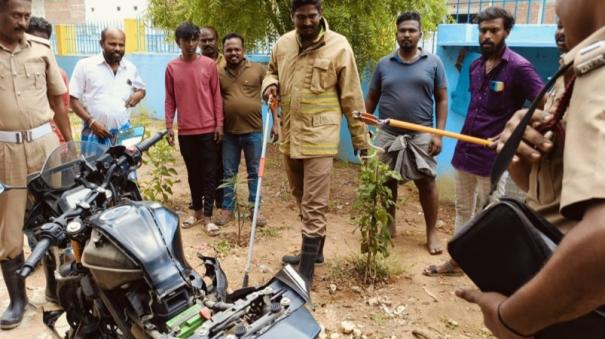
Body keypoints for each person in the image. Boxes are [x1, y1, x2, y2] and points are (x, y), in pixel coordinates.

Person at [457, 0, 605, 336]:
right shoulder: (572, 72)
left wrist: (512, 319)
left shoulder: (597, 68)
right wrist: (518, 144)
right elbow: (539, 184)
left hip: (575, 316)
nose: (556, 8)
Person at [424, 6, 544, 276]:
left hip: (494, 158)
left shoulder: (519, 68)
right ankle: (456, 262)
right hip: (465, 151)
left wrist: (511, 132)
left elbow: (545, 105)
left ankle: (489, 270)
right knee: (463, 211)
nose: (487, 36)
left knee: (491, 216)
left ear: (506, 32)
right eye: (483, 31)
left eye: (494, 30)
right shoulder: (475, 65)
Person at [262, 0, 368, 286]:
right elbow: (271, 70)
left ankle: (306, 272)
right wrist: (269, 85)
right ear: (292, 16)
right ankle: (315, 252)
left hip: (321, 138)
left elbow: (352, 97)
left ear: (321, 15)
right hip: (290, 135)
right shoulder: (283, 44)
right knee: (300, 195)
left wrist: (361, 139)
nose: (307, 22)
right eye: (301, 17)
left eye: (312, 16)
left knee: (314, 204)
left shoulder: (339, 46)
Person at [0, 0, 70, 329]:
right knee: (9, 230)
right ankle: (18, 300)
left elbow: (58, 99)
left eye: (27, 15)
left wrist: (68, 145)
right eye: (17, 15)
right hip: (5, 153)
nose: (23, 22)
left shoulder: (41, 49)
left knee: (57, 218)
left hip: (45, 146)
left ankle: (56, 289)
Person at [365, 11, 448, 255]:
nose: (407, 34)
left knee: (427, 182)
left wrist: (438, 134)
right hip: (388, 134)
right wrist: (363, 125)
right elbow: (372, 98)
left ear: (420, 34)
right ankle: (389, 226)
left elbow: (442, 99)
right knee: (386, 181)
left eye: (412, 30)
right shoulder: (384, 64)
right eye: (403, 30)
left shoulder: (433, 63)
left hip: (422, 133)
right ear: (396, 34)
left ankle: (431, 233)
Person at [165, 22, 223, 235]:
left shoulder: (208, 64)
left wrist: (219, 124)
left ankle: (208, 217)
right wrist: (169, 125)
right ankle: (196, 211)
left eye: (194, 39)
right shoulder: (172, 67)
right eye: (186, 40)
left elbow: (216, 95)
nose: (190, 44)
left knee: (210, 172)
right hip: (186, 131)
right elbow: (170, 98)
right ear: (178, 42)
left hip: (208, 129)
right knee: (193, 172)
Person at [214, 33, 275, 227]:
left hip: (254, 132)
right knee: (229, 172)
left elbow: (271, 98)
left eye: (236, 49)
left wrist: (277, 123)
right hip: (229, 134)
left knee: (255, 171)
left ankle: (255, 210)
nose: (233, 53)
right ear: (223, 52)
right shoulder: (218, 72)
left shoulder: (258, 70)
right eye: (229, 50)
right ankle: (227, 208)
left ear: (244, 50)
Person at [69, 27, 146, 152]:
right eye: (112, 44)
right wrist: (91, 122)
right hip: (95, 133)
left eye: (121, 45)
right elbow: (73, 100)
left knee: (125, 170)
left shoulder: (130, 68)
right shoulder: (85, 66)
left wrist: (139, 94)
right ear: (101, 44)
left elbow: (142, 90)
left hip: (124, 134)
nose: (117, 48)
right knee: (95, 170)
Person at [26, 16, 71, 144]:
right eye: (34, 43)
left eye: (43, 43)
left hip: (54, 141)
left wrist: (68, 143)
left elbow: (61, 109)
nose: (39, 49)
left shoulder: (59, 74)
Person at [199, 25, 225, 211]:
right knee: (204, 163)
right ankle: (203, 198)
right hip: (203, 123)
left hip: (226, 123)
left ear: (217, 40)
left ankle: (222, 200)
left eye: (210, 39)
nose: (207, 43)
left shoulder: (228, 61)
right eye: (203, 40)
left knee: (223, 163)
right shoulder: (193, 63)